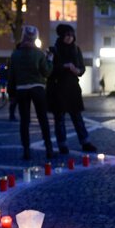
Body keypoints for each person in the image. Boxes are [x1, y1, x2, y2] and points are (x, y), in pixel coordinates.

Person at [47, 24, 97, 155]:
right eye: (67, 35)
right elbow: (49, 70)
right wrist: (64, 66)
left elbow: (82, 67)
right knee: (60, 119)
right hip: (58, 88)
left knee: (77, 117)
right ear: (61, 35)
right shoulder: (54, 50)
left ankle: (85, 141)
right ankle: (62, 144)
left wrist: (78, 70)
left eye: (71, 35)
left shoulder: (76, 49)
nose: (70, 37)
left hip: (73, 88)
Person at [8, 25, 54, 160]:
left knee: (24, 121)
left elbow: (12, 76)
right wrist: (49, 60)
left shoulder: (15, 55)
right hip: (38, 89)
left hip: (21, 90)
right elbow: (46, 72)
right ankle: (49, 149)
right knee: (43, 119)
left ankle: (26, 150)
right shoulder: (39, 53)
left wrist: (11, 94)